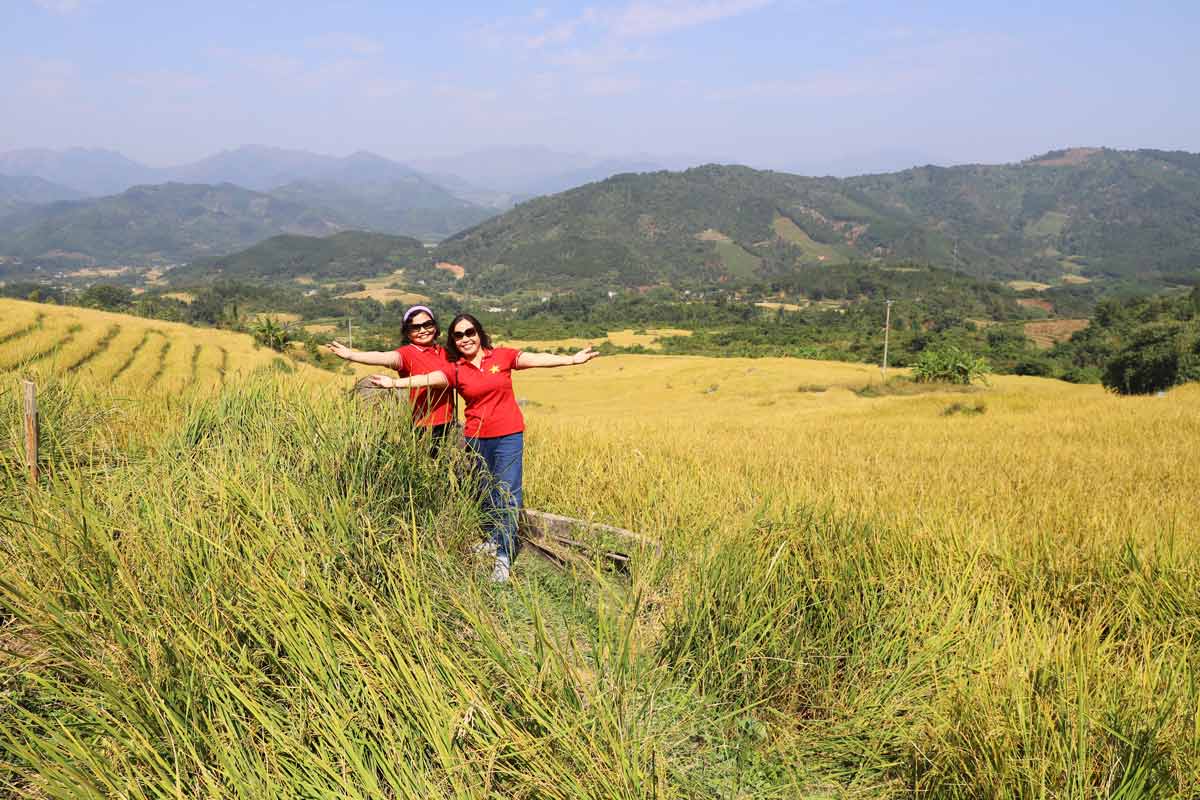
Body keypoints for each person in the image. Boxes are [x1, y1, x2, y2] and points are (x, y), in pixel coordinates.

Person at [367, 313, 598, 582]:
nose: (465, 338)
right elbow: (426, 378)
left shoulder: (501, 357)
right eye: (459, 335)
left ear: (479, 333)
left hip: (508, 435)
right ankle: (492, 538)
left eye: (470, 332)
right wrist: (394, 383)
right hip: (476, 438)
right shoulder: (456, 369)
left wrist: (571, 359)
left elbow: (535, 359)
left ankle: (504, 554)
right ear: (453, 340)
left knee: (508, 494)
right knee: (484, 490)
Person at [327, 305, 455, 453]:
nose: (422, 330)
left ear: (435, 326)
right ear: (407, 333)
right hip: (423, 425)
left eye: (427, 324)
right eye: (415, 327)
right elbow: (383, 356)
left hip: (449, 421)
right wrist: (352, 355)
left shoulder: (445, 352)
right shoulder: (407, 354)